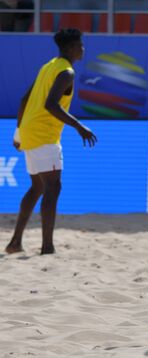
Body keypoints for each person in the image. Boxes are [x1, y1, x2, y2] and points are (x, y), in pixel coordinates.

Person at [6, 28, 97, 255]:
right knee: (53, 187)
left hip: (30, 130)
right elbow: (51, 105)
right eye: (79, 45)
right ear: (69, 48)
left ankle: (15, 242)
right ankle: (47, 247)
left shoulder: (49, 66)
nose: (82, 49)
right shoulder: (66, 72)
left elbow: (24, 98)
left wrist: (19, 132)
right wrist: (80, 127)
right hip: (44, 135)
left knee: (37, 187)